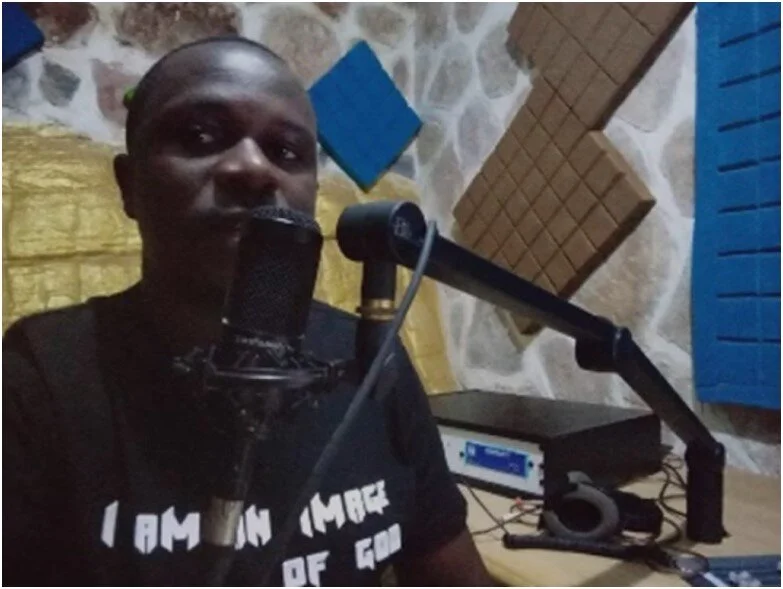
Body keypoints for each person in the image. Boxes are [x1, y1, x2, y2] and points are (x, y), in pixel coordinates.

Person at [2, 36, 493, 586]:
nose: (254, 168)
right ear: (129, 185)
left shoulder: (372, 357)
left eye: (286, 152)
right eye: (200, 136)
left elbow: (451, 566)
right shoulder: (36, 379)